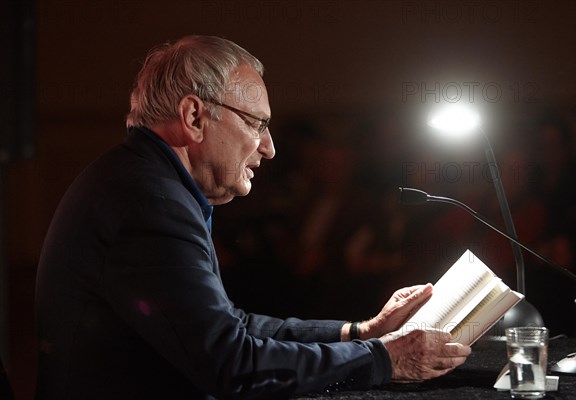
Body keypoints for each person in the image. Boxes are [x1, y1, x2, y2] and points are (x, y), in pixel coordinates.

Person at [34, 35, 470, 400]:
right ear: (194, 116)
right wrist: (384, 358)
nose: (269, 148)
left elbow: (228, 325)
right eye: (257, 124)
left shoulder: (147, 180)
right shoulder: (150, 203)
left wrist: (359, 332)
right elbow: (231, 363)